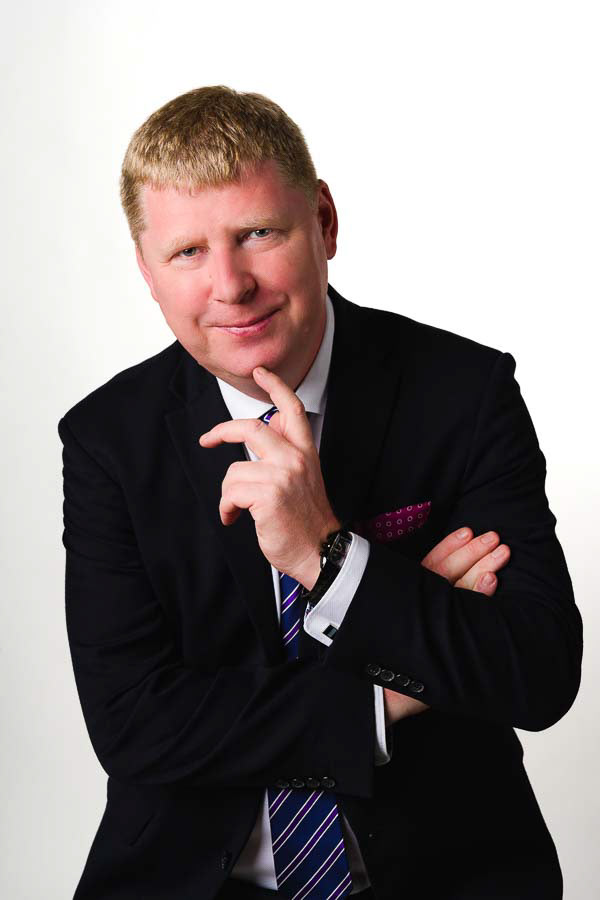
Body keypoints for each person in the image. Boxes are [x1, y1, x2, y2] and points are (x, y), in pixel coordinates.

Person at [57, 85, 583, 900]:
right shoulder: (107, 440)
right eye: (187, 251)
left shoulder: (464, 392)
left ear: (325, 223)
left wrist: (329, 556)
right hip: (191, 879)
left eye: (258, 234)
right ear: (146, 271)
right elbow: (135, 726)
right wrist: (384, 694)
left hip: (446, 873)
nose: (230, 285)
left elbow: (537, 670)